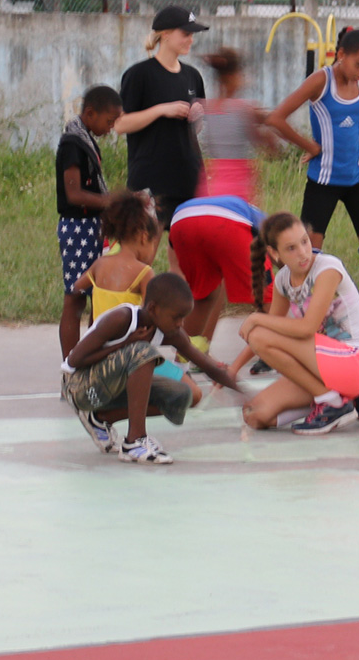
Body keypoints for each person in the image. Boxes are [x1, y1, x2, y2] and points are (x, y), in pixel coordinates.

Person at [264, 27, 359, 352]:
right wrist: (309, 146)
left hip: (358, 180)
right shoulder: (320, 82)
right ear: (341, 55)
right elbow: (277, 118)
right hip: (323, 182)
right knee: (306, 261)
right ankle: (302, 341)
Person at [62, 272, 229, 465]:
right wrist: (126, 343)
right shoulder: (122, 319)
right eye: (176, 317)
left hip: (110, 387)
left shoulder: (171, 332)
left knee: (183, 393)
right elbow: (74, 361)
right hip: (78, 386)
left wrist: (242, 390)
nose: (180, 324)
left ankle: (100, 418)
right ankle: (134, 442)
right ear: (153, 309)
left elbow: (206, 364)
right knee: (142, 352)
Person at [236, 211, 359, 433]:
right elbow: (264, 334)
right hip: (323, 367)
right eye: (291, 248)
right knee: (255, 415)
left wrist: (256, 318)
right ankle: (345, 399)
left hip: (355, 359)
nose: (303, 253)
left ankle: (332, 402)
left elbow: (306, 328)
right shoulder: (283, 280)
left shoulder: (327, 268)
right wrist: (232, 370)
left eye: (304, 241)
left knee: (259, 333)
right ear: (274, 253)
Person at [115, 5, 208, 236]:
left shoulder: (192, 76)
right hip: (152, 176)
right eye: (185, 34)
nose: (190, 40)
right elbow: (119, 124)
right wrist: (160, 110)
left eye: (192, 35)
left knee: (184, 247)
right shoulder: (140, 75)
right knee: (145, 247)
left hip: (188, 174)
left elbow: (198, 128)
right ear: (165, 34)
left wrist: (198, 116)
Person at [165, 193, 269, 366]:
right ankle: (270, 353)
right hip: (227, 223)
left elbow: (171, 247)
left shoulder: (254, 215)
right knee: (266, 297)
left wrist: (175, 268)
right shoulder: (276, 230)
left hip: (181, 219)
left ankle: (185, 357)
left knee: (204, 294)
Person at [60, 190, 161, 357]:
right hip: (127, 351)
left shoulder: (100, 264)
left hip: (99, 348)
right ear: (144, 237)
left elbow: (77, 286)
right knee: (179, 379)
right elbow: (150, 314)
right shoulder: (144, 273)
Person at [57, 85, 122, 299]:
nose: (111, 128)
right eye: (109, 121)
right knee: (75, 295)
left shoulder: (86, 140)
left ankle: (96, 333)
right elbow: (74, 194)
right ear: (91, 113)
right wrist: (110, 201)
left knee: (99, 294)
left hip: (92, 226)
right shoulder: (73, 144)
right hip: (78, 228)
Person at [197, 47, 270, 202]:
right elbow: (270, 147)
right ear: (231, 77)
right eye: (240, 75)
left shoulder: (206, 108)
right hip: (238, 188)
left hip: (210, 186)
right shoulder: (244, 110)